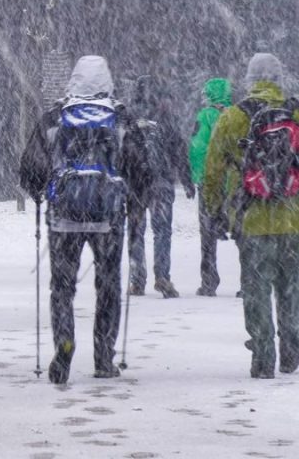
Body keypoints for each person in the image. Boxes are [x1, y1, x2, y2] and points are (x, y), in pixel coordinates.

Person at [20, 55, 150, 384]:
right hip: (108, 217)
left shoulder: (55, 117)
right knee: (108, 286)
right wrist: (135, 204)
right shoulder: (119, 117)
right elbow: (140, 169)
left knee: (62, 287)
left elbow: (30, 169)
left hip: (64, 216)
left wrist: (40, 193)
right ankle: (104, 356)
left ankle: (64, 343)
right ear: (107, 80)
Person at [203, 52, 299, 378]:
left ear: (249, 79)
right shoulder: (295, 113)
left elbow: (213, 169)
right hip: (293, 219)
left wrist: (214, 211)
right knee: (292, 289)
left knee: (256, 291)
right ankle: (291, 352)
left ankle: (263, 357)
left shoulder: (233, 117)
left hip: (252, 219)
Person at [127, 75, 195, 298]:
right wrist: (186, 180)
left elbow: (121, 152)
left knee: (136, 232)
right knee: (162, 232)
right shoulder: (166, 118)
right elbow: (179, 151)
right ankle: (162, 277)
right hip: (161, 182)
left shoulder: (129, 117)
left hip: (135, 186)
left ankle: (137, 280)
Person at [188, 78, 232, 296]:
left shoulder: (204, 116)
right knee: (242, 234)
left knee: (207, 234)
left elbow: (197, 149)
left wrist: (198, 176)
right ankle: (248, 283)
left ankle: (209, 281)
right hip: (233, 184)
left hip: (210, 183)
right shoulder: (236, 116)